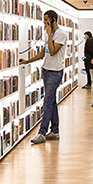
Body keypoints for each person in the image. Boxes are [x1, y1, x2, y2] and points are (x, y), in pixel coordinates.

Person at [30, 9, 66, 145]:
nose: (44, 24)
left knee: (47, 102)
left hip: (55, 72)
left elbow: (52, 52)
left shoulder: (61, 34)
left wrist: (50, 34)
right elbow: (43, 53)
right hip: (46, 71)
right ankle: (55, 131)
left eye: (46, 21)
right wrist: (27, 61)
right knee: (52, 102)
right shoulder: (49, 35)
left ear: (53, 21)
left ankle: (42, 132)